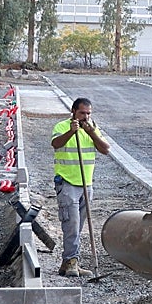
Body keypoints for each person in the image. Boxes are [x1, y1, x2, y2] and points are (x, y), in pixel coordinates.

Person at [51, 97, 110, 277]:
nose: (85, 117)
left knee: (79, 226)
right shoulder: (61, 127)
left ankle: (69, 261)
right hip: (67, 183)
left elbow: (106, 149)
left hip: (86, 185)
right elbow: (56, 144)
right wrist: (71, 132)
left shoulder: (91, 128)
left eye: (88, 113)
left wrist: (91, 133)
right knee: (71, 225)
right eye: (82, 113)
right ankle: (71, 262)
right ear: (73, 111)